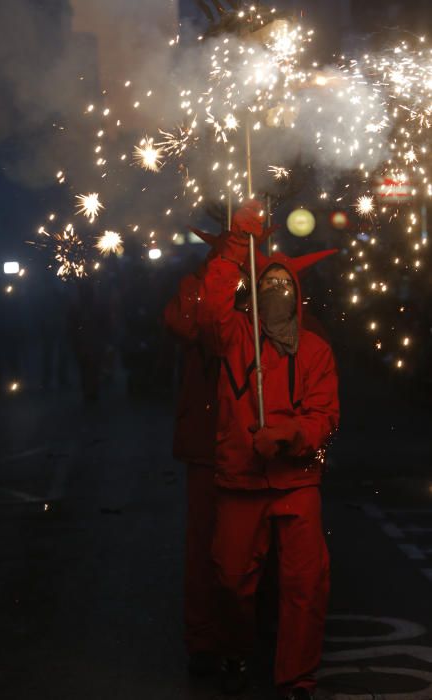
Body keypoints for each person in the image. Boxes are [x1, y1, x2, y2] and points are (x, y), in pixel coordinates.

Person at [197, 201, 340, 700]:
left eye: (285, 287)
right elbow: (211, 307)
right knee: (231, 581)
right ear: (255, 295)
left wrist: (288, 436)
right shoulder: (234, 335)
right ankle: (236, 647)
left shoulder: (316, 351)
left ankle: (297, 677)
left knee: (305, 584)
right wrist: (237, 245)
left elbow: (325, 417)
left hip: (295, 479)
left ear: (297, 296)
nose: (276, 293)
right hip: (240, 477)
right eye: (267, 287)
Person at [164, 228, 254, 677]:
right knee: (203, 549)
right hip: (205, 440)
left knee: (247, 552)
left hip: (250, 438)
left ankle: (247, 635)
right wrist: (220, 275)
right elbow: (187, 323)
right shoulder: (194, 285)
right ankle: (203, 640)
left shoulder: (264, 281)